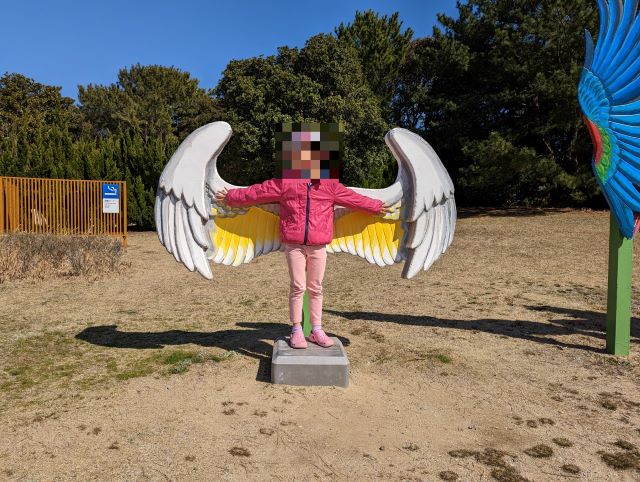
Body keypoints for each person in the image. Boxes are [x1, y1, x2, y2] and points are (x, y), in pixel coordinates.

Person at [214, 122, 391, 349]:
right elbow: (257, 192)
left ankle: (316, 330)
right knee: (298, 287)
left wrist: (376, 207)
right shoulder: (285, 183)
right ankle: (297, 329)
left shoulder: (329, 185)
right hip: (294, 243)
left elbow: (353, 198)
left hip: (318, 244)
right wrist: (231, 197)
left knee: (316, 287)